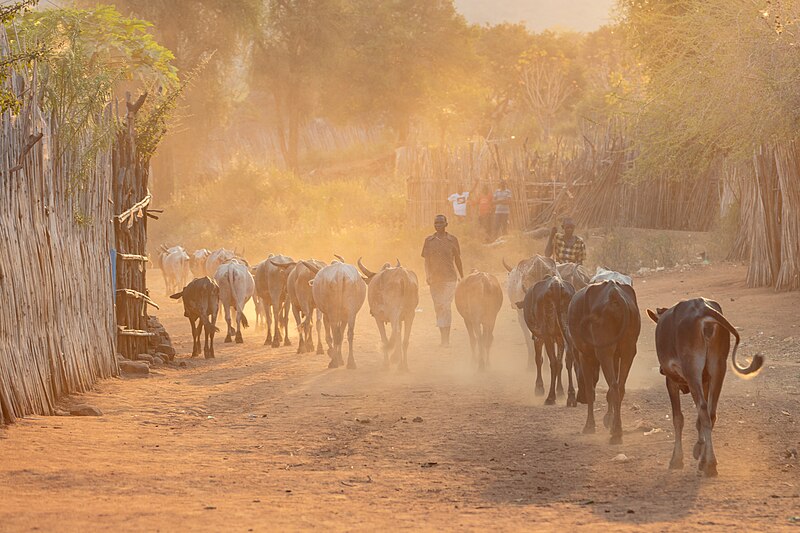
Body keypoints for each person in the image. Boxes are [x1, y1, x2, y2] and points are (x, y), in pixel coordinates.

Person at [421, 214, 464, 347]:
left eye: (440, 223)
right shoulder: (429, 240)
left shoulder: (452, 240)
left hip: (450, 278)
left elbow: (457, 259)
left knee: (445, 306)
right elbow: (426, 261)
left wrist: (462, 277)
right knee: (438, 307)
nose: (438, 225)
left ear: (446, 224)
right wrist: (428, 275)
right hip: (435, 279)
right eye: (436, 223)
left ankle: (446, 339)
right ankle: (442, 338)